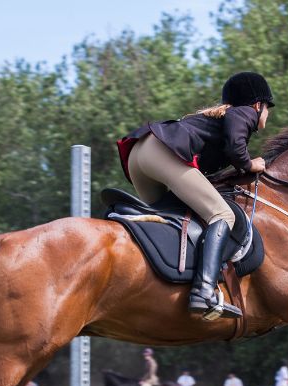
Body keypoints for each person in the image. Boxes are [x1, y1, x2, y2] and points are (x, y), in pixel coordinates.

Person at [116, 72, 274, 320]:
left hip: (140, 155)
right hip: (161, 154)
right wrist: (249, 164)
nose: (267, 114)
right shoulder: (243, 112)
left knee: (171, 219)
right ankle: (204, 290)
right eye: (268, 108)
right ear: (257, 105)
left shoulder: (214, 119)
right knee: (222, 214)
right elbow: (236, 147)